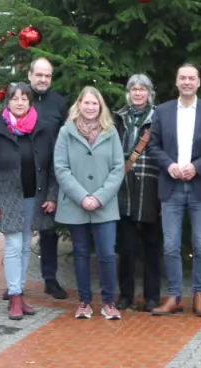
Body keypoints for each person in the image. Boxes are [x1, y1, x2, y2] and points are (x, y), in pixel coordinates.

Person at [147, 64, 201, 317]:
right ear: (176, 82)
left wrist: (197, 167)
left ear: (198, 82)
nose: (187, 82)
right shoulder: (162, 111)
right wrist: (168, 164)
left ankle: (199, 294)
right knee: (171, 245)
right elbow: (153, 146)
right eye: (182, 78)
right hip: (171, 187)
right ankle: (174, 296)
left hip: (200, 186)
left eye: (191, 78)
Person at [0, 82, 59, 320]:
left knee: (25, 246)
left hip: (34, 198)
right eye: (15, 98)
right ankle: (14, 296)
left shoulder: (43, 129)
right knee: (14, 246)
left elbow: (53, 167)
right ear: (8, 102)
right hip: (7, 199)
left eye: (24, 98)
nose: (20, 102)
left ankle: (19, 292)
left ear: (30, 102)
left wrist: (52, 196)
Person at [54, 87, 126, 320]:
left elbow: (118, 168)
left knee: (107, 254)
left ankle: (108, 302)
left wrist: (99, 197)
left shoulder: (110, 132)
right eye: (86, 103)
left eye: (95, 103)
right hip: (76, 204)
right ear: (79, 104)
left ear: (100, 106)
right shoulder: (66, 132)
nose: (90, 107)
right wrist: (82, 197)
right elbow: (61, 168)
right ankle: (84, 302)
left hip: (105, 205)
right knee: (81, 254)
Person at [113, 74, 162, 312]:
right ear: (129, 93)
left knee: (152, 247)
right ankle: (126, 295)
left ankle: (152, 296)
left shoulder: (160, 118)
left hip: (151, 187)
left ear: (149, 93)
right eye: (134, 89)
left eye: (142, 89)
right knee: (126, 248)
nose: (138, 93)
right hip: (124, 187)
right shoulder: (118, 118)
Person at [24, 57, 71, 300]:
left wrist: (54, 190)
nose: (43, 79)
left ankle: (50, 279)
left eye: (47, 76)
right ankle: (16, 283)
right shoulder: (18, 98)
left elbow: (65, 143)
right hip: (21, 175)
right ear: (29, 75)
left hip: (50, 175)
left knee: (49, 231)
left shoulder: (59, 103)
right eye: (39, 75)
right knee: (18, 232)